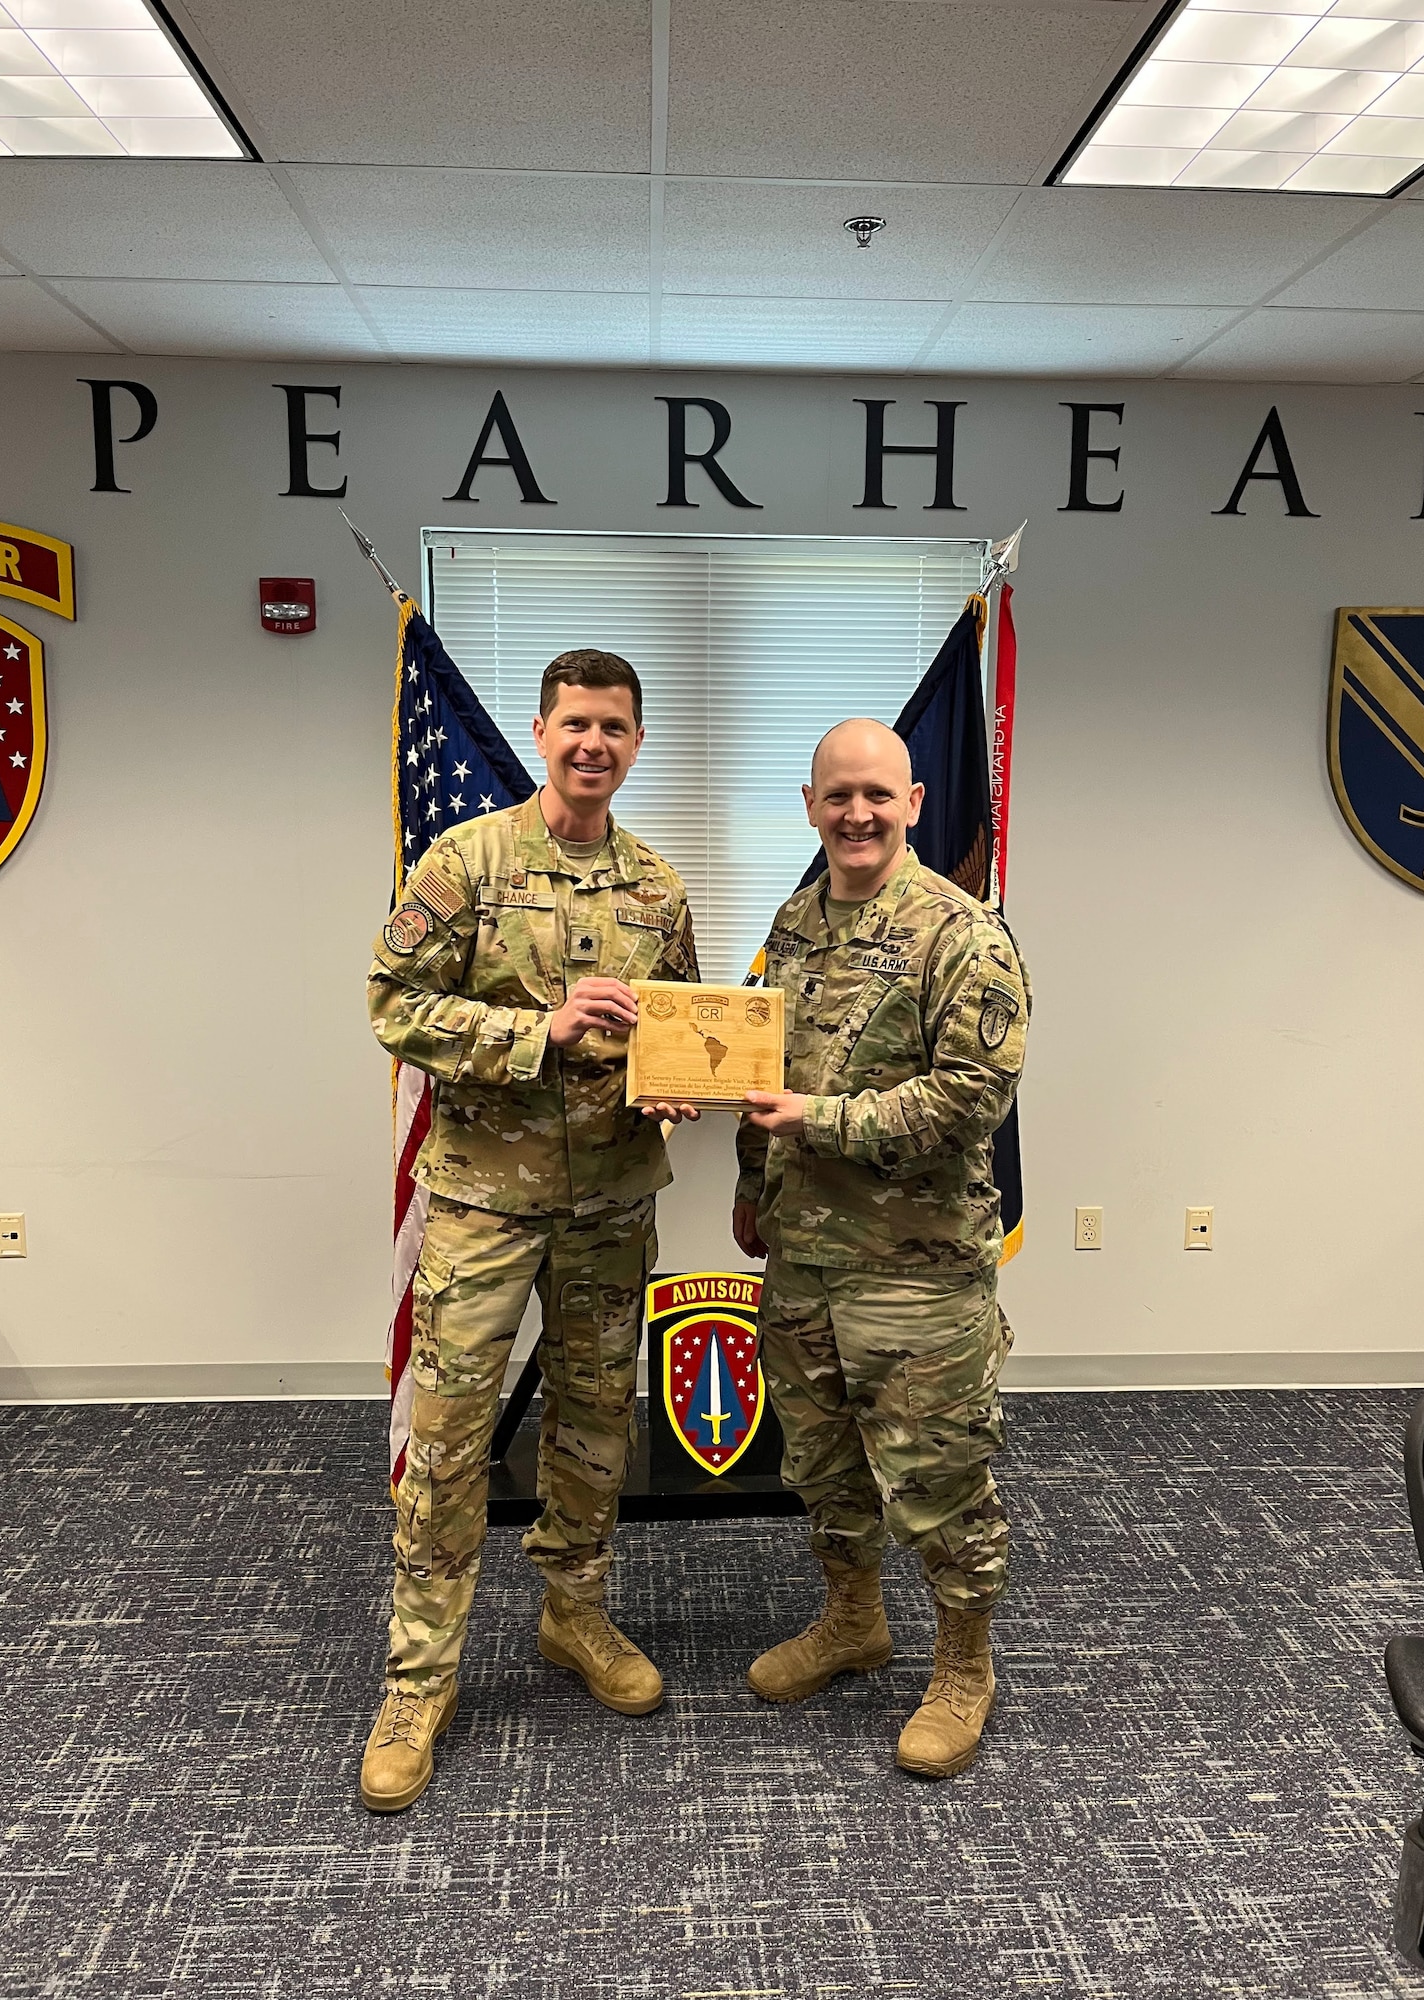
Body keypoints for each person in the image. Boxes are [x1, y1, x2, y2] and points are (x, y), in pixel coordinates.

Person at [359, 647, 699, 1813]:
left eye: (615, 726)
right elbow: (390, 1002)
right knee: (451, 1435)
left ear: (636, 742)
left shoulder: (659, 886)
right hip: (483, 1204)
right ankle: (419, 1677)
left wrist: (679, 1081)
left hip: (610, 1203)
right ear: (542, 729)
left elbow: (687, 1027)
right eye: (575, 723)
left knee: (598, 1420)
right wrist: (533, 1032)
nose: (593, 743)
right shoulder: (469, 858)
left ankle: (574, 1610)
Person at [733, 717, 1030, 1780]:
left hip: (918, 1266)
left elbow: (971, 1098)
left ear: (912, 802)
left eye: (877, 794)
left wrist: (818, 1120)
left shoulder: (963, 933)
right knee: (821, 1461)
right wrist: (746, 1182)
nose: (856, 813)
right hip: (805, 1255)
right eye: (836, 795)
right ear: (809, 804)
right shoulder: (796, 919)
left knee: (940, 1475)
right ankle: (853, 1617)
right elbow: (757, 1055)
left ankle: (964, 1663)